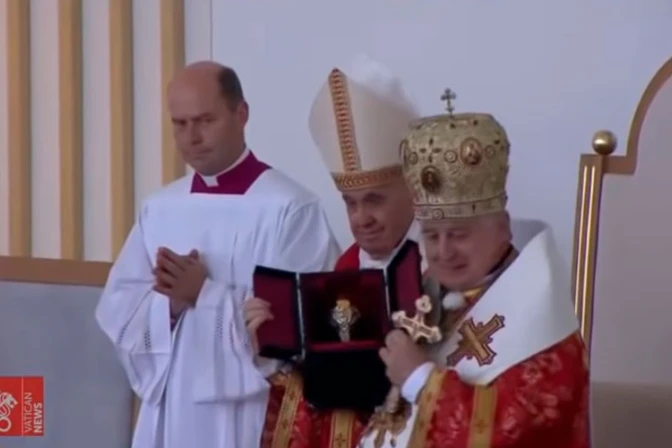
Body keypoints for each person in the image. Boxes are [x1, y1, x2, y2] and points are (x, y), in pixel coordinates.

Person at [95, 61, 341, 448]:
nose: (192, 136)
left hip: (252, 415)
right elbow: (118, 313)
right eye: (180, 123)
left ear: (240, 114)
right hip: (173, 409)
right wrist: (170, 308)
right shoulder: (160, 209)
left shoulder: (289, 208)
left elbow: (307, 324)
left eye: (205, 120)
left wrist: (203, 296)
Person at [358, 94, 590, 447]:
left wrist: (421, 379)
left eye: (460, 234)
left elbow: (514, 432)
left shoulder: (543, 326)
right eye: (432, 236)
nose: (444, 251)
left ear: (503, 227)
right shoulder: (429, 298)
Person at [244, 54, 424, 447]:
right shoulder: (342, 272)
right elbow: (314, 398)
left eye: (374, 199)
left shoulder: (442, 269)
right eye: (350, 202)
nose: (361, 219)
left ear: (413, 191)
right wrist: (270, 351)